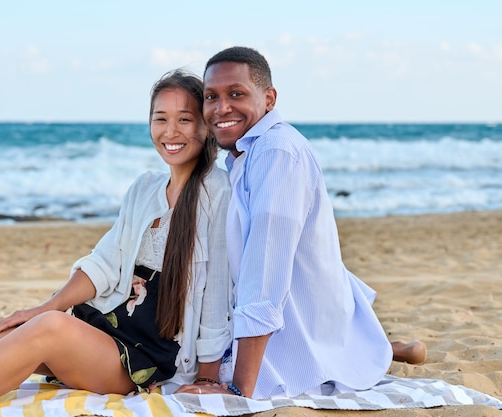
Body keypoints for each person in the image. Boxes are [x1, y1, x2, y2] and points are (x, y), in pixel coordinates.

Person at [0, 70, 233, 416]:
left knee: (51, 328)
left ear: (205, 125)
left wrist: (206, 376)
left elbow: (216, 296)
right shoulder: (145, 187)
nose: (170, 132)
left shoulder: (217, 192)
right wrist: (44, 307)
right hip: (110, 331)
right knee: (13, 334)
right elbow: (104, 263)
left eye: (184, 119)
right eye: (160, 119)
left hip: (154, 361)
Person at [177, 46, 425, 400]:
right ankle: (382, 347)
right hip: (312, 300)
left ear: (269, 99)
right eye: (211, 96)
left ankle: (375, 349)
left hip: (305, 312)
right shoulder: (244, 155)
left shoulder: (277, 153)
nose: (221, 108)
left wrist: (239, 389)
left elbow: (265, 274)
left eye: (237, 94)